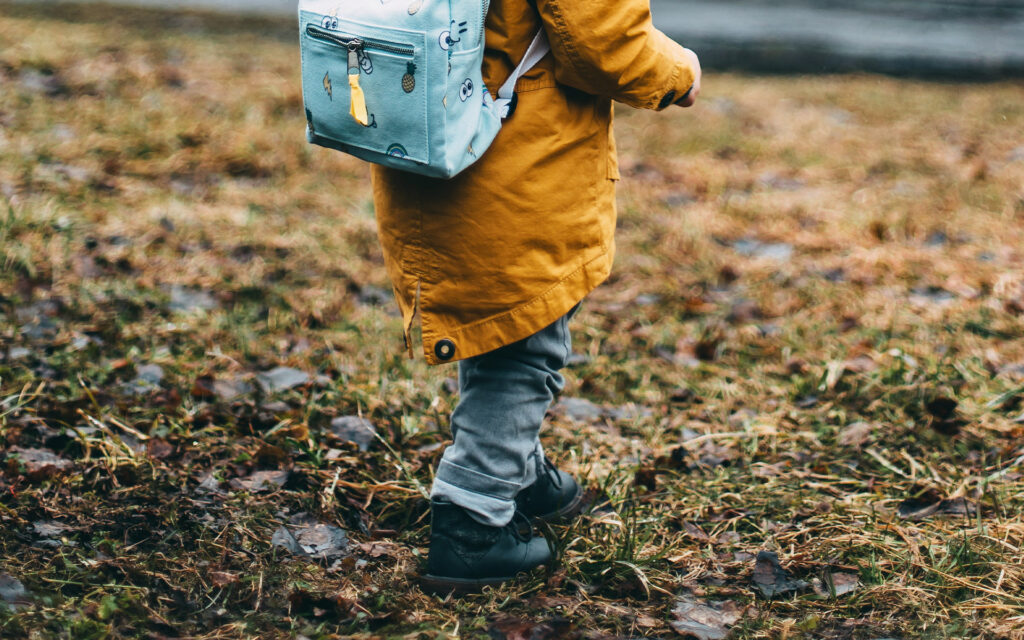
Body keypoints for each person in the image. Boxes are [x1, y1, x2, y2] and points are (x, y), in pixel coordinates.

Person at [370, 0, 701, 593]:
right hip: (516, 157)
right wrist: (679, 72)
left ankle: (518, 472)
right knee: (523, 350)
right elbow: (603, 40)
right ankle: (473, 517)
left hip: (429, 133)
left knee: (503, 324)